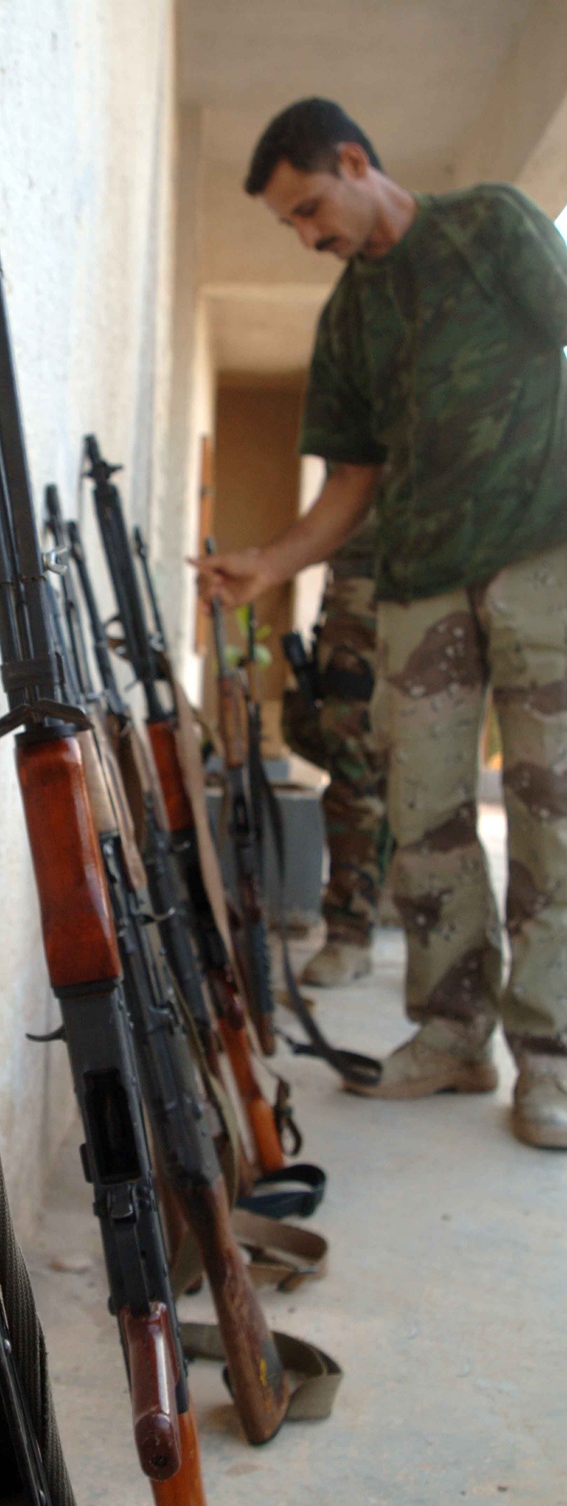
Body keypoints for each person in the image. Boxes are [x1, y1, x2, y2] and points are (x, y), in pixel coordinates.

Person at [194, 97, 567, 1149]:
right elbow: (352, 478)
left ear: (356, 161)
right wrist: (264, 563)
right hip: (417, 580)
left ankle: (552, 1062)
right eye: (290, 227)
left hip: (545, 551)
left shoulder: (489, 225)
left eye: (312, 208)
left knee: (552, 808)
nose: (310, 237)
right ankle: (451, 1037)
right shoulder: (349, 316)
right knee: (425, 811)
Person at [283, 513, 389, 986]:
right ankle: (348, 933)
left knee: (435, 775)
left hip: (459, 570)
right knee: (351, 761)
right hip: (362, 583)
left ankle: (449, 960)